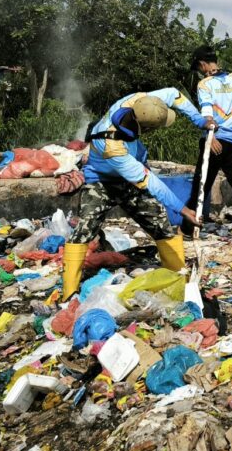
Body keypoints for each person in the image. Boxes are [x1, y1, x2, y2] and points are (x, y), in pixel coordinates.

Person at [66, 89, 211, 298]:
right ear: (146, 126)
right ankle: (69, 293)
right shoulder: (112, 146)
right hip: (101, 181)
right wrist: (183, 209)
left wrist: (199, 120)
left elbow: (175, 94)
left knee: (160, 225)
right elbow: (150, 182)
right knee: (84, 229)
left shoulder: (140, 102)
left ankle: (178, 282)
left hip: (130, 175)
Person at [180, 46, 232, 242]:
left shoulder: (205, 85)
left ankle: (188, 229)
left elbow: (207, 113)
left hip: (214, 142)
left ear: (202, 64)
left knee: (201, 186)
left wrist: (210, 137)